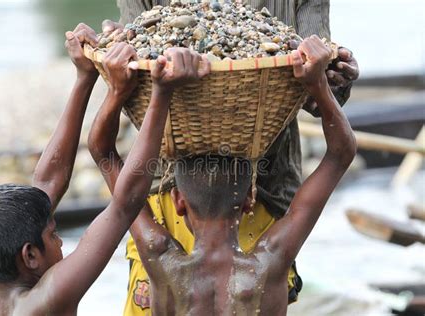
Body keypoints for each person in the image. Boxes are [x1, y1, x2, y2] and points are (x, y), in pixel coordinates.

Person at [103, 1, 360, 314]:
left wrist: (143, 90)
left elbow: (102, 151)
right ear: (248, 196)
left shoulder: (160, 256)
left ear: (180, 199)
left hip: (266, 186)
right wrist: (316, 82)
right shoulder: (270, 258)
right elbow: (341, 153)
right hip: (192, 195)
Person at [0, 21, 209, 314]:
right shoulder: (44, 301)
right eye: (52, 235)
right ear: (30, 256)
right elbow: (124, 206)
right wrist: (161, 94)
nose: (60, 241)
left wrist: (84, 77)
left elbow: (47, 182)